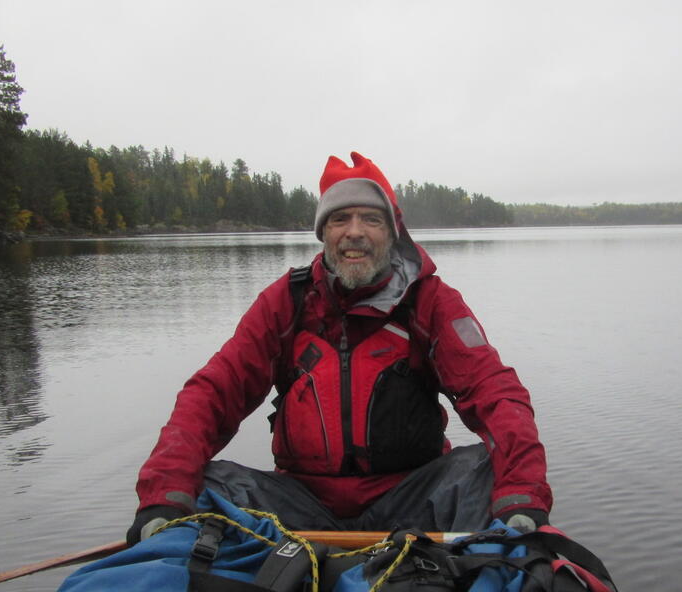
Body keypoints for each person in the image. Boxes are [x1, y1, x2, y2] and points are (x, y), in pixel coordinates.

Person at [127, 152, 550, 544]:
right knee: (204, 484)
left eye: (371, 219)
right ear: (323, 232)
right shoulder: (285, 302)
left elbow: (494, 390)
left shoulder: (431, 301)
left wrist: (521, 494)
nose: (355, 232)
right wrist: (165, 494)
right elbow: (213, 392)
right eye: (340, 219)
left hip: (414, 501)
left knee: (486, 471)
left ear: (393, 232)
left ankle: (499, 546)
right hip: (300, 507)